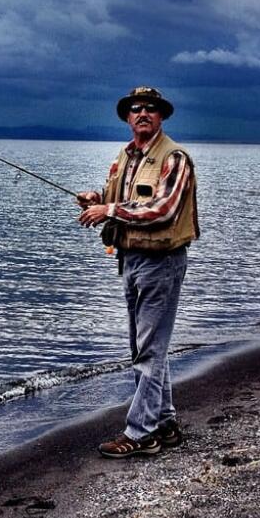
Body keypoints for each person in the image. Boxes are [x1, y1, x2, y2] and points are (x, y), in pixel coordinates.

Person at [77, 86, 199, 458]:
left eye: (150, 108)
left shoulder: (174, 158)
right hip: (130, 261)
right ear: (128, 117)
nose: (142, 113)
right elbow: (120, 198)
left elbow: (163, 209)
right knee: (146, 348)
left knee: (148, 349)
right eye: (135, 109)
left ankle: (141, 433)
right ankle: (164, 423)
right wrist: (97, 200)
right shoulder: (125, 156)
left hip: (161, 264)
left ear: (161, 116)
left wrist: (110, 212)